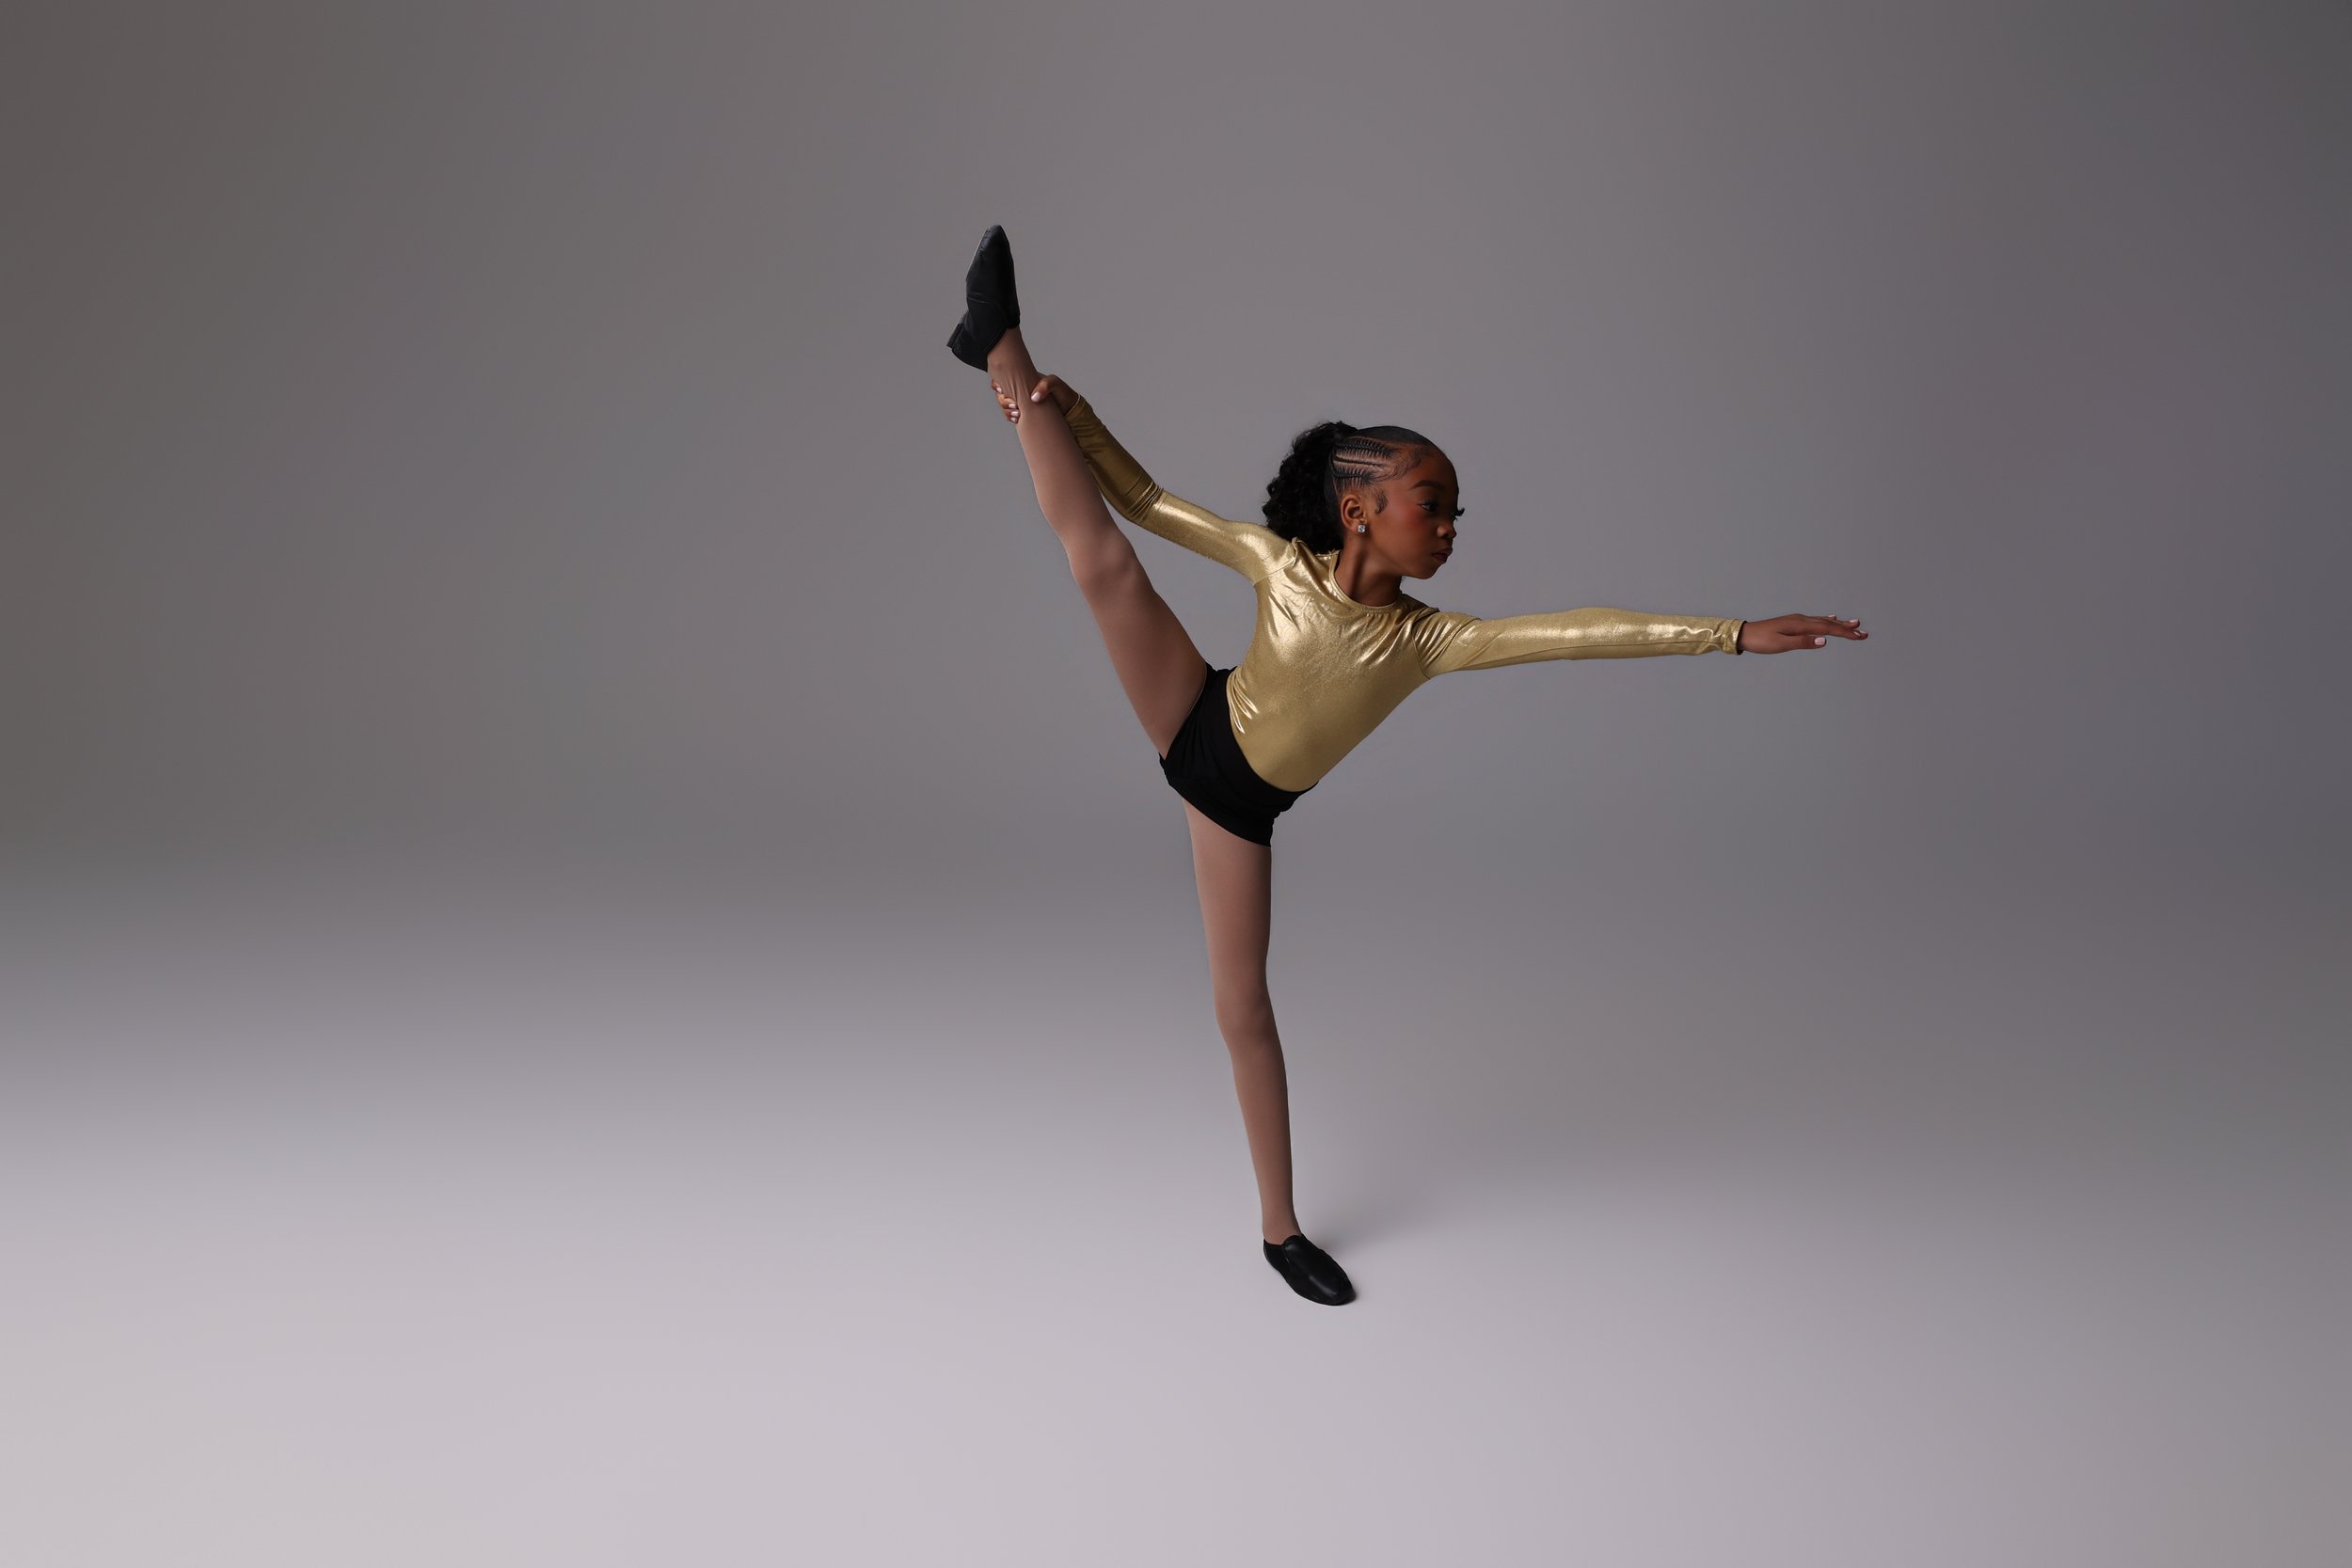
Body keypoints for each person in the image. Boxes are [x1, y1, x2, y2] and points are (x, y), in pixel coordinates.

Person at [947, 225, 1867, 1305]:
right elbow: (1147, 504)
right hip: (1190, 708)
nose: (1449, 528)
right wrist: (1074, 411)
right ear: (1358, 512)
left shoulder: (1429, 640)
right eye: (1431, 505)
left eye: (1452, 510)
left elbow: (1573, 632)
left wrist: (1731, 633)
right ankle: (1002, 350)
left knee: (1242, 1007)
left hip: (1235, 804)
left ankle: (1279, 1231)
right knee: (1103, 562)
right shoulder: (1279, 565)